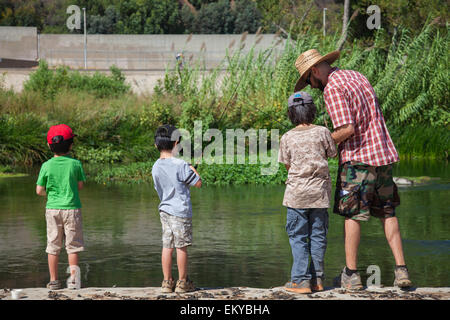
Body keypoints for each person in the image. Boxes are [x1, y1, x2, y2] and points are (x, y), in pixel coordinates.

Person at [294, 49, 412, 290]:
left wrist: (322, 144)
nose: (311, 85)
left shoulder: (332, 89)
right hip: (383, 156)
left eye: (309, 80)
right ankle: (401, 271)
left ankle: (351, 274)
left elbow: (347, 129)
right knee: (388, 213)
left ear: (315, 71)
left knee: (353, 216)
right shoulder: (357, 76)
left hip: (358, 161)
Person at [278, 92, 337, 294]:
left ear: (291, 114)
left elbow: (287, 165)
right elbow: (332, 153)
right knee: (318, 236)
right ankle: (318, 279)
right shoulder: (322, 132)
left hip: (296, 195)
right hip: (320, 195)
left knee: (298, 237)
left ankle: (301, 280)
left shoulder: (286, 137)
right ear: (312, 110)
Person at [151, 124, 202, 293]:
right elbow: (198, 183)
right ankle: (182, 282)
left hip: (164, 211)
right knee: (181, 247)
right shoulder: (181, 165)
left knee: (167, 245)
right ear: (176, 143)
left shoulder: (155, 166)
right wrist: (192, 168)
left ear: (156, 145)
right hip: (180, 212)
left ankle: (166, 282)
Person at [36, 124, 86, 290]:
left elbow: (39, 190)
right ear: (71, 145)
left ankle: (54, 281)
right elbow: (80, 186)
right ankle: (73, 281)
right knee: (73, 246)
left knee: (53, 246)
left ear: (50, 146)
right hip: (72, 209)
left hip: (52, 209)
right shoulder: (76, 164)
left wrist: (50, 195)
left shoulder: (46, 166)